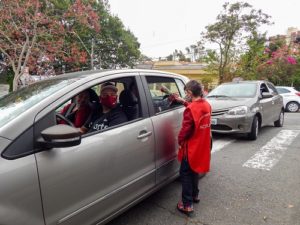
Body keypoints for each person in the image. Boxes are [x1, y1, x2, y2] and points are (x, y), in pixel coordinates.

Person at [175, 80, 212, 216]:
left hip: (190, 148)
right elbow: (195, 110)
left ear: (190, 92)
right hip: (201, 145)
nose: (186, 95)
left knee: (185, 174)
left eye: (186, 93)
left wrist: (179, 141)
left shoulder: (190, 110)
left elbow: (185, 130)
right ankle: (195, 195)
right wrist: (182, 101)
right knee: (194, 170)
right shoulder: (206, 105)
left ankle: (187, 204)